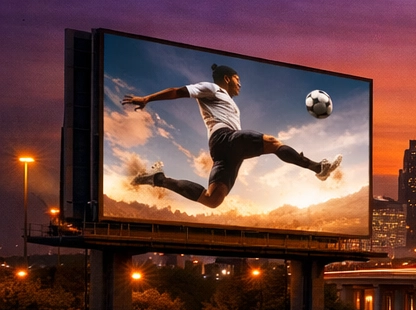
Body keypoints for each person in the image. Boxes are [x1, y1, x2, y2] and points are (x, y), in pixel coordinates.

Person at [122, 62, 340, 209]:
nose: (240, 84)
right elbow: (178, 91)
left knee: (213, 200)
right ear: (227, 78)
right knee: (273, 143)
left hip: (227, 153)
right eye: (238, 79)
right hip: (224, 138)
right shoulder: (211, 88)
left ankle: (158, 179)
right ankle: (317, 168)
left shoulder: (228, 100)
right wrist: (147, 98)